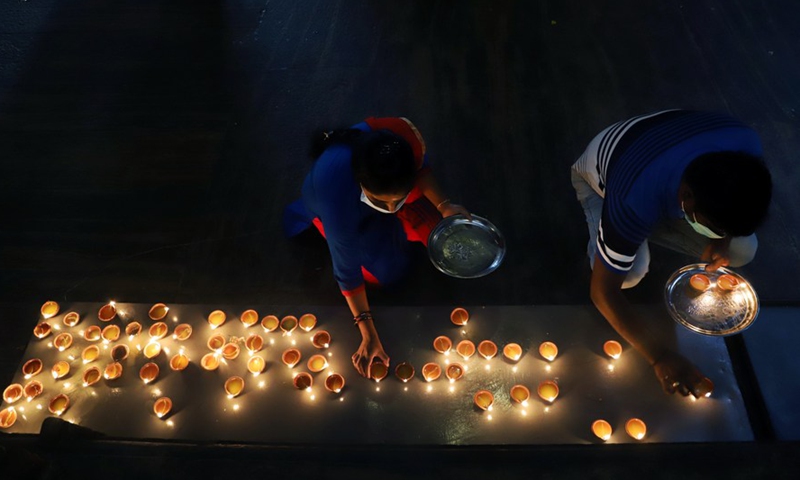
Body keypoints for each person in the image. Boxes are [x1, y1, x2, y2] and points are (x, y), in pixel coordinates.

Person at [571, 109, 772, 396]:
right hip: (600, 173)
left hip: (660, 164)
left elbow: (732, 212)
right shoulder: (632, 198)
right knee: (628, 274)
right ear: (687, 197)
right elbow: (603, 292)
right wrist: (660, 356)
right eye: (714, 227)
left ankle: (632, 235)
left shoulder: (745, 148)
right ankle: (611, 241)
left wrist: (725, 239)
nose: (716, 234)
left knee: (743, 249)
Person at [284, 117, 470, 378]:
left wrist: (444, 206)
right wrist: (368, 333)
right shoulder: (336, 197)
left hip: (379, 188)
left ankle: (397, 208)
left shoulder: (401, 139)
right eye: (384, 203)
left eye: (398, 201)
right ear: (362, 185)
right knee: (386, 272)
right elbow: (346, 271)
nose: (393, 209)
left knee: (442, 235)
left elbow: (421, 170)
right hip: (336, 206)